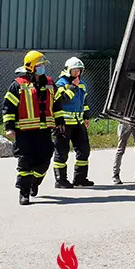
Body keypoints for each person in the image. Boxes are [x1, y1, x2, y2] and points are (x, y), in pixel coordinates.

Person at [1, 51, 66, 205]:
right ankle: (24, 193)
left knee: (45, 161)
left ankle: (34, 182)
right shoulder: (18, 84)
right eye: (39, 65)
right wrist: (9, 127)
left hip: (44, 131)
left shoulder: (50, 83)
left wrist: (60, 121)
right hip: (24, 132)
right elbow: (8, 107)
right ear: (31, 67)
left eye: (43, 65)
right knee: (25, 162)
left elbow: (57, 104)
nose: (42, 68)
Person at [52, 57, 93, 188]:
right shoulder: (60, 83)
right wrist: (73, 87)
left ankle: (80, 178)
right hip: (63, 124)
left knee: (84, 150)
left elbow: (84, 102)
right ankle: (60, 180)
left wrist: (86, 116)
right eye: (75, 70)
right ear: (68, 70)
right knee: (62, 152)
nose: (77, 73)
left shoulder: (82, 84)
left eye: (79, 71)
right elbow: (62, 100)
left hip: (78, 122)